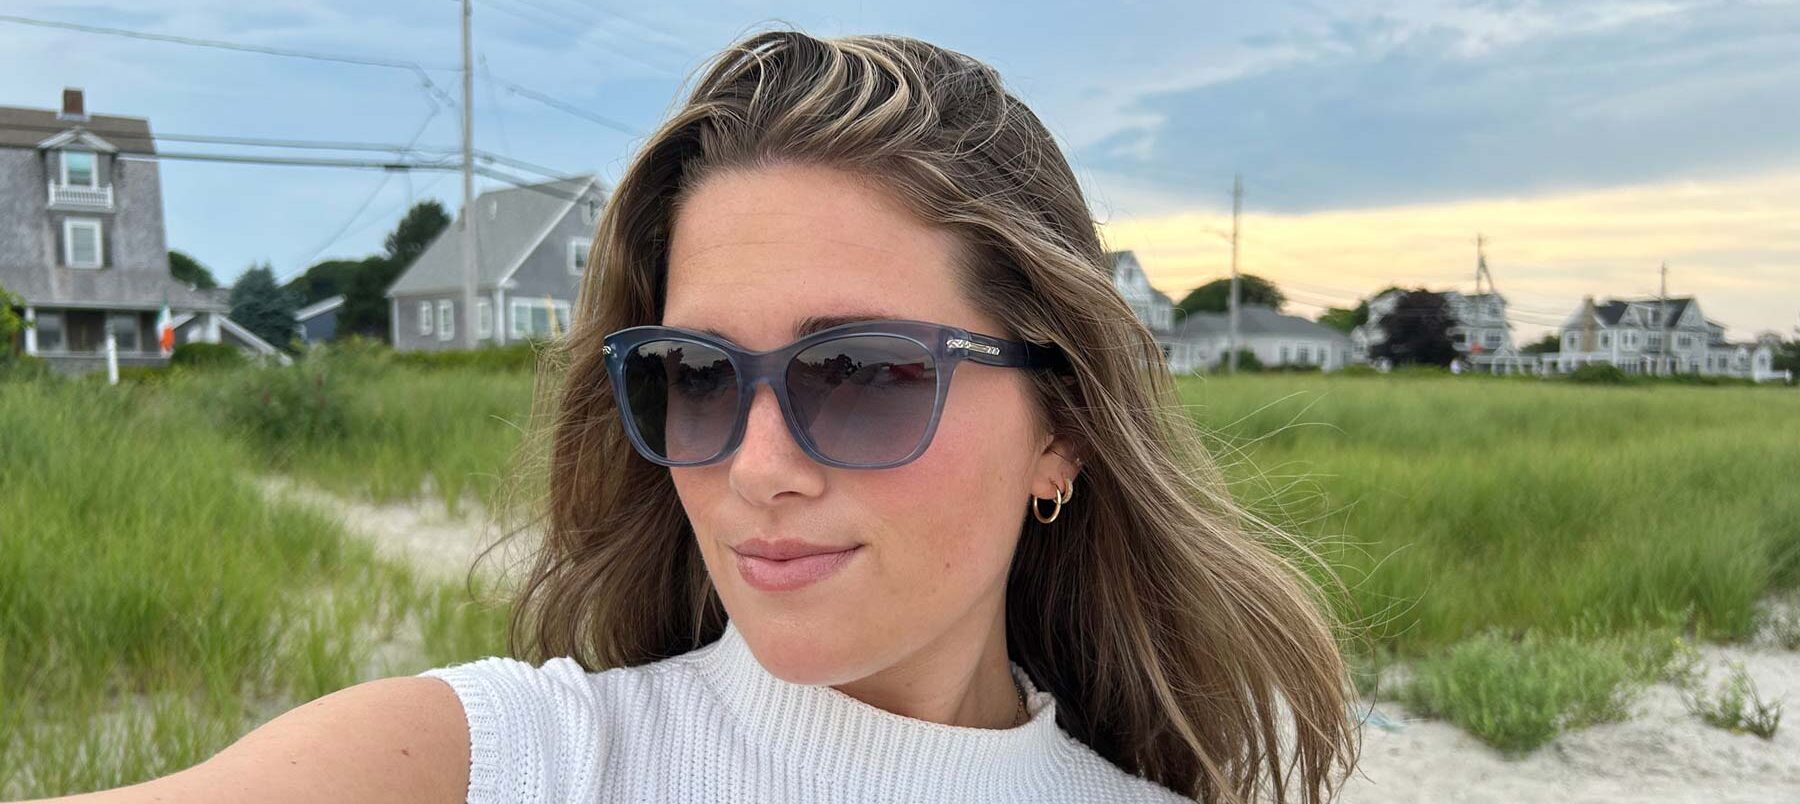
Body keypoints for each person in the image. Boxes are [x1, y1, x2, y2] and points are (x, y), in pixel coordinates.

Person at [48, 29, 1360, 804]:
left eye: (862, 373)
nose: (757, 466)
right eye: (699, 375)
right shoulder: (506, 765)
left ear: (1062, 427)